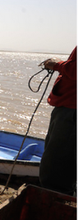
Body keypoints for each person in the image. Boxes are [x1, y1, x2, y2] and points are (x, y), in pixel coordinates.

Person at [39, 47, 76, 196]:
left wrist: (57, 65)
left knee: (57, 161)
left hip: (71, 110)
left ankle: (54, 199)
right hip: (68, 108)